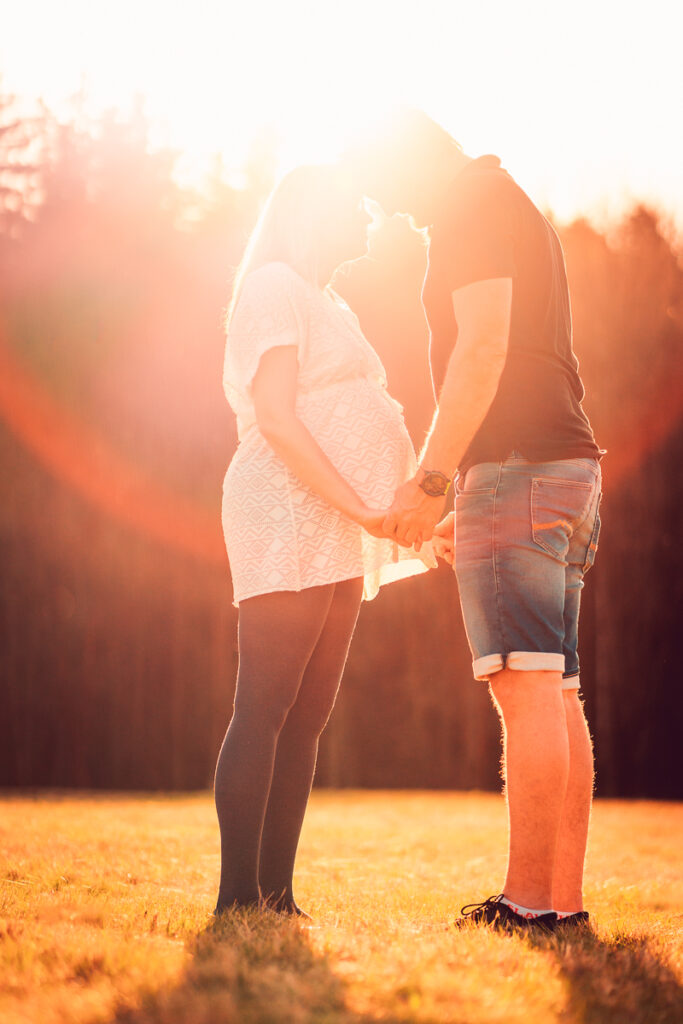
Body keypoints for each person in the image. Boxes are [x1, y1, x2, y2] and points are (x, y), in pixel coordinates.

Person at [347, 109, 603, 932]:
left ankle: (527, 906)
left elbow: (482, 347)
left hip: (520, 467)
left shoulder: (469, 207)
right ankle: (559, 904)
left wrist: (431, 482)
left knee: (523, 689)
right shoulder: (511, 201)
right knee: (555, 688)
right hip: (568, 466)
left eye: (386, 191)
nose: (391, 213)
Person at [214, 164, 432, 917]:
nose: (369, 221)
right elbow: (275, 416)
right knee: (265, 706)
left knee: (305, 716)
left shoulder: (329, 299)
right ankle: (236, 896)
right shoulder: (273, 284)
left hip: (340, 520)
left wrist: (404, 517)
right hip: (284, 507)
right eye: (356, 209)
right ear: (313, 213)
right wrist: (357, 507)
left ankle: (276, 895)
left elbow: (361, 410)